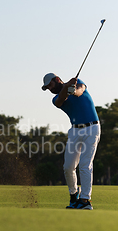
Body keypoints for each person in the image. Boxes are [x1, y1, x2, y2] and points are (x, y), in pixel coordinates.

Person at [41, 73, 100, 210]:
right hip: (75, 131)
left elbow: (80, 90)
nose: (49, 88)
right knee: (68, 167)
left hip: (92, 128)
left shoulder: (78, 82)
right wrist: (67, 88)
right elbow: (61, 99)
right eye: (47, 88)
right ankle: (74, 195)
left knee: (85, 165)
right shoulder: (55, 98)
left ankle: (85, 200)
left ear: (56, 80)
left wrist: (73, 89)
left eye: (50, 85)